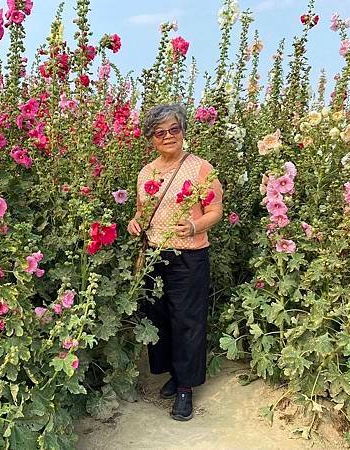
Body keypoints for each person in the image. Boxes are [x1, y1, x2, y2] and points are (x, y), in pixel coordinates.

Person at [127, 103, 223, 421]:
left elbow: (215, 210)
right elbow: (142, 211)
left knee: (187, 322)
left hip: (190, 257)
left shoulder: (200, 169)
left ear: (183, 132)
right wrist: (135, 222)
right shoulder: (146, 173)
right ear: (152, 138)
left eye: (174, 129)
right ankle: (174, 373)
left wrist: (195, 226)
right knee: (160, 319)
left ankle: (185, 388)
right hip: (156, 255)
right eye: (160, 132)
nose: (168, 136)